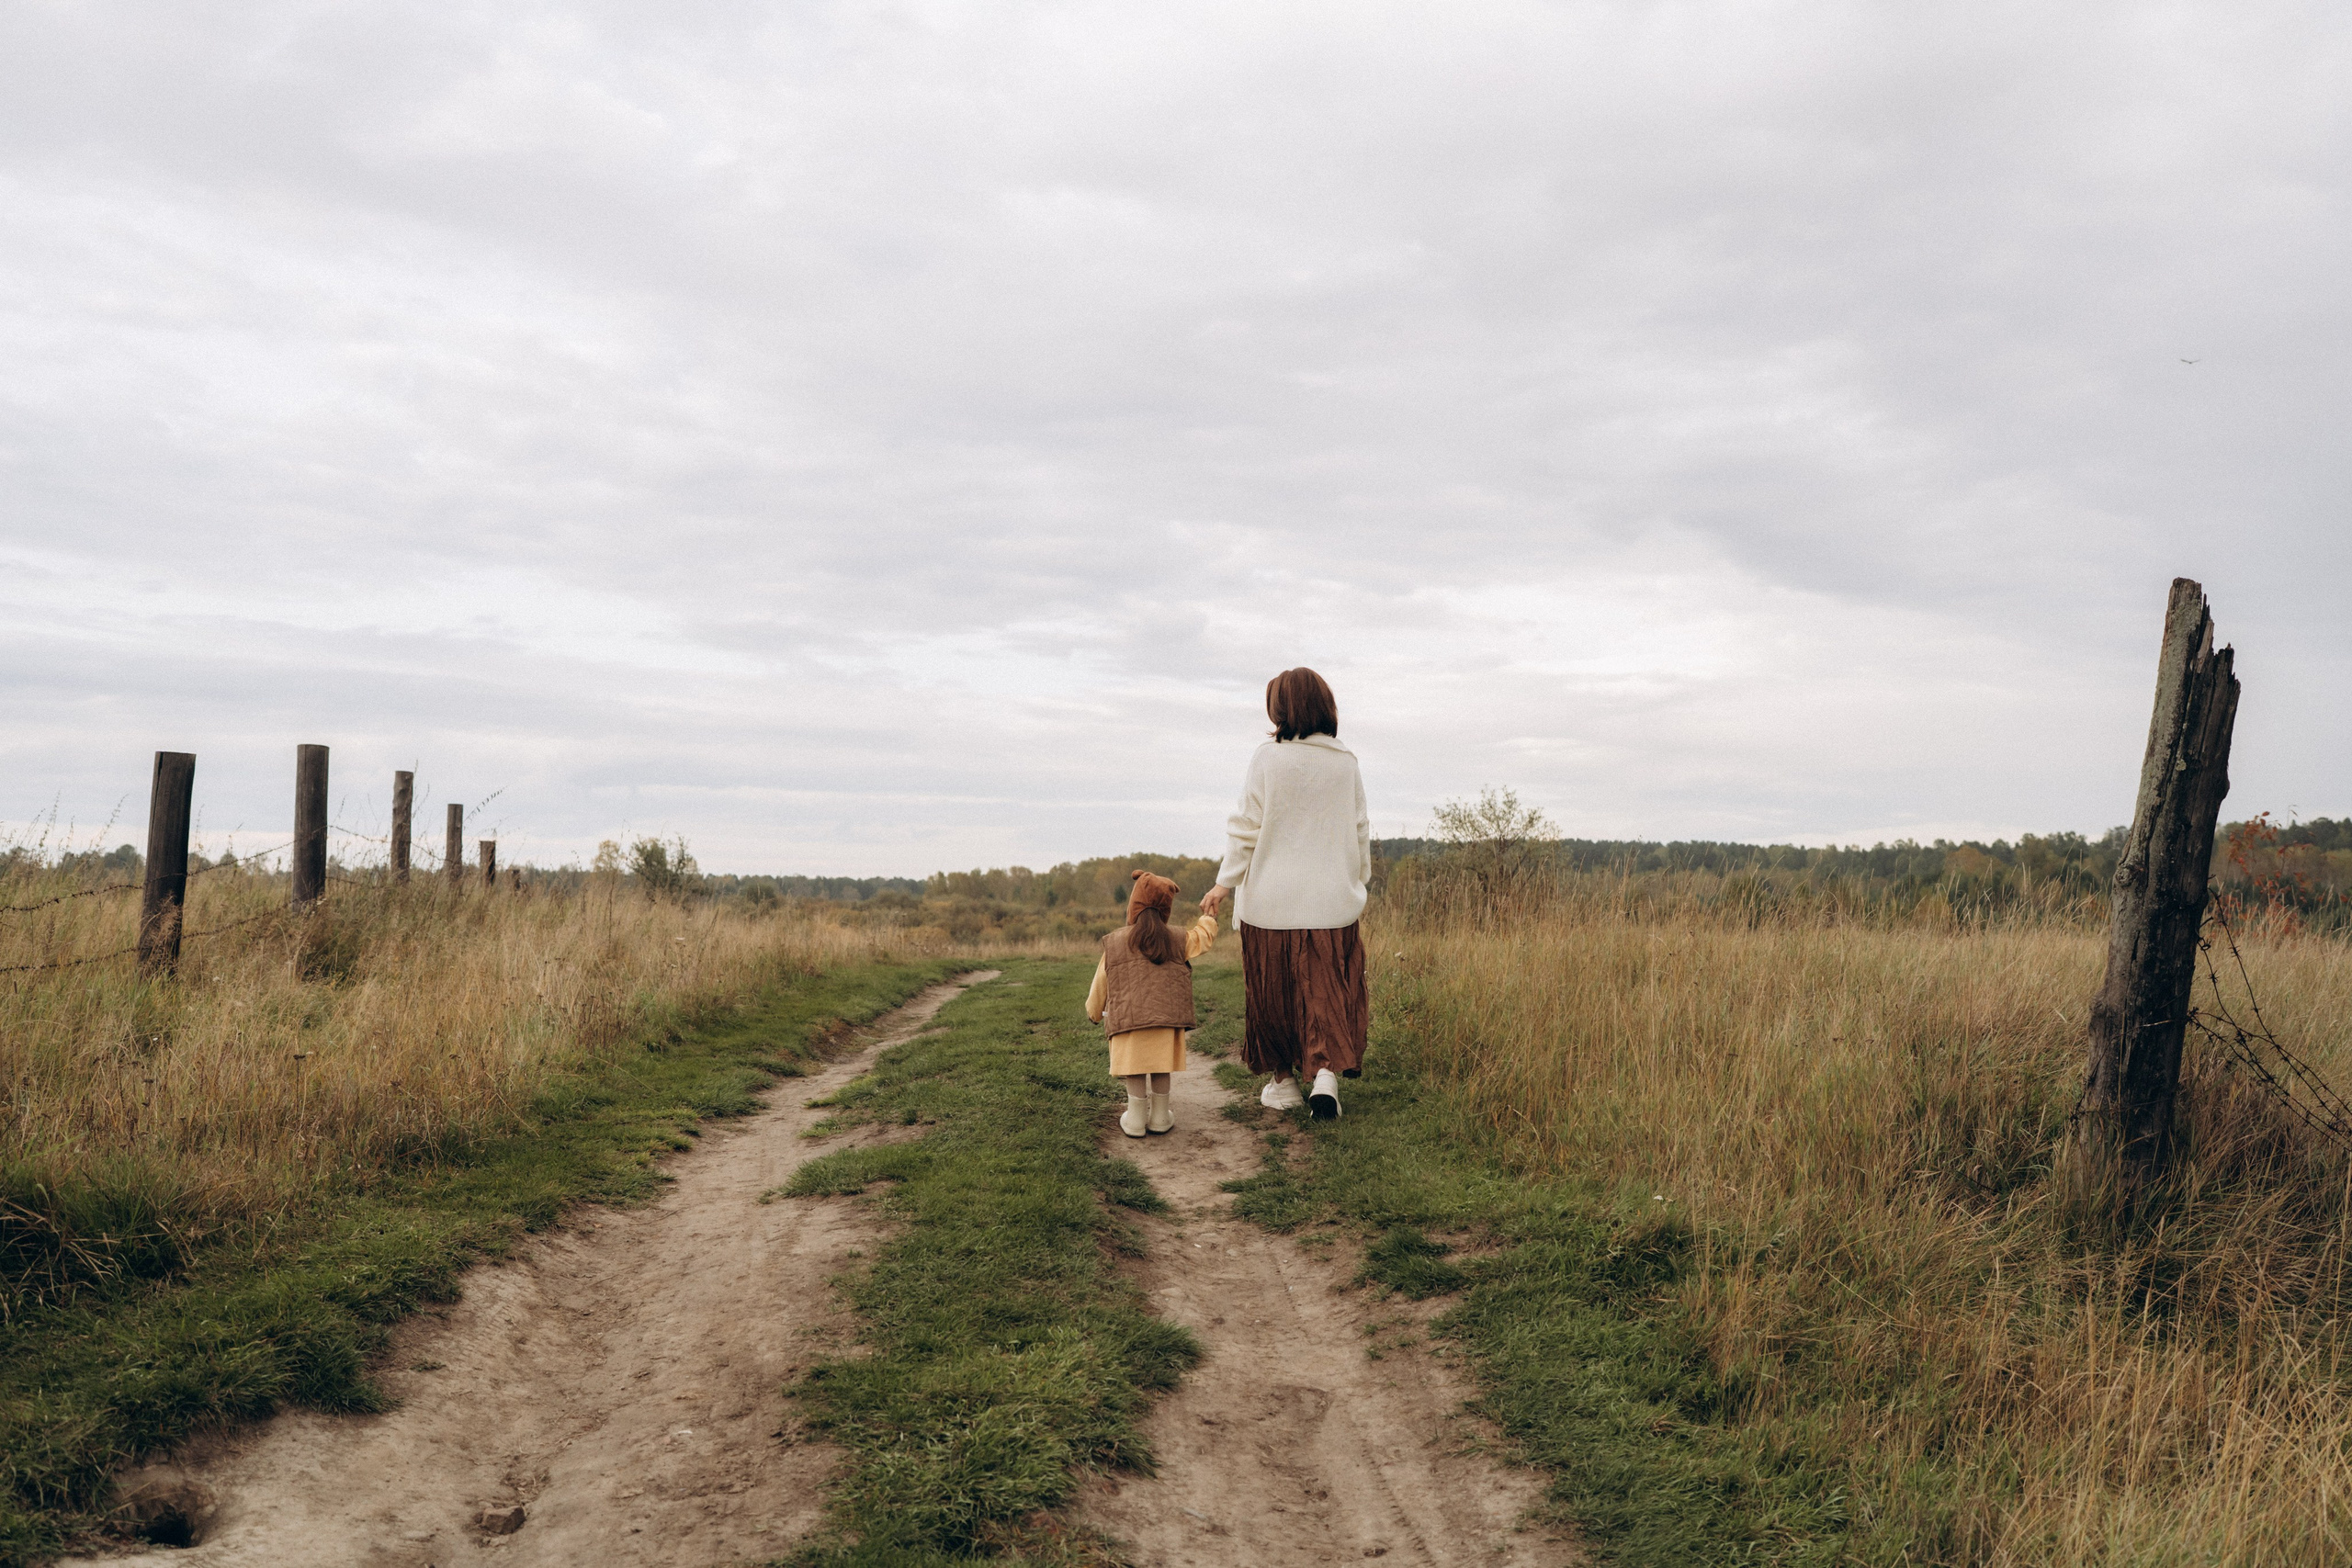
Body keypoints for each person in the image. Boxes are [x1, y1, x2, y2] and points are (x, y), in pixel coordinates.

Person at [1201, 668, 1370, 1120]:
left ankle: (1285, 1083)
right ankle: (1327, 1077)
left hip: (1271, 905)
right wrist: (1357, 881)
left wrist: (1224, 883)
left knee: (1273, 995)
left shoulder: (1267, 759)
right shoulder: (1345, 762)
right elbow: (1359, 831)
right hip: (1332, 904)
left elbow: (1246, 827)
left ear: (1281, 710)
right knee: (1328, 993)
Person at [1086, 870, 1220, 1137]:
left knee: (1134, 1069)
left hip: (1128, 1021)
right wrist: (1208, 918)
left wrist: (1094, 1012)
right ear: (1165, 909)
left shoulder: (1115, 942)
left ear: (1133, 906)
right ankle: (1160, 1117)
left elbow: (1101, 981)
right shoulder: (1177, 939)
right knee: (1160, 1066)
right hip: (1165, 1021)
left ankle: (1135, 1120)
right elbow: (1202, 938)